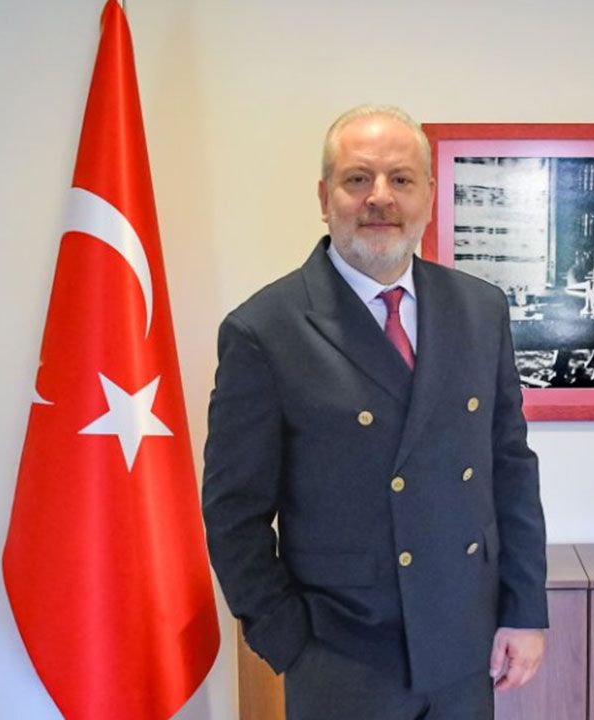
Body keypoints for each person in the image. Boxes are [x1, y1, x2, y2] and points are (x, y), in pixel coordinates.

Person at [201, 105, 547, 720]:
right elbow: (234, 512)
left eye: (401, 179)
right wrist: (287, 640)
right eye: (358, 179)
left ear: (429, 196)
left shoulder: (480, 309)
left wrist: (523, 611)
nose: (380, 197)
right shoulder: (265, 329)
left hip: (464, 647)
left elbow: (510, 467)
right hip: (340, 659)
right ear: (324, 197)